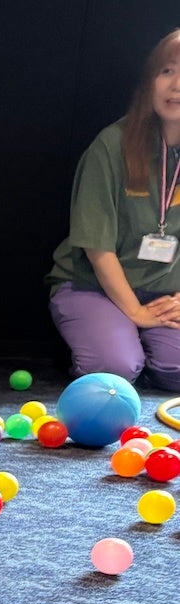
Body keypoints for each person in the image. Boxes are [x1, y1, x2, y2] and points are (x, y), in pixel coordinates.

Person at [47, 29, 180, 391]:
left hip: (164, 295)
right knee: (113, 370)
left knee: (176, 371)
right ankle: (116, 342)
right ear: (149, 81)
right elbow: (97, 248)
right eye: (167, 71)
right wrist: (135, 312)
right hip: (94, 287)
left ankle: (140, 346)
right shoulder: (111, 145)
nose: (175, 86)